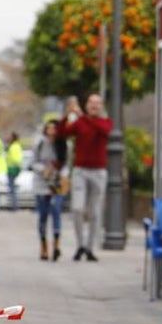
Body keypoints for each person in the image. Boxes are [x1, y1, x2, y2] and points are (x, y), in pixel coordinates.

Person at [57, 93, 112, 262]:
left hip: (99, 171)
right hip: (80, 170)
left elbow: (103, 131)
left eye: (97, 103)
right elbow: (62, 133)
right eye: (91, 102)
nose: (94, 106)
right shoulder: (80, 122)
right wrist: (67, 115)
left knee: (95, 212)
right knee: (77, 208)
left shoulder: (105, 122)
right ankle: (80, 244)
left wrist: (82, 116)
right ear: (87, 105)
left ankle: (89, 247)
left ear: (101, 106)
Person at [31, 119, 68, 261]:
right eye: (49, 128)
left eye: (54, 128)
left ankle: (56, 245)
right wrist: (43, 170)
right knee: (43, 214)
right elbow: (33, 163)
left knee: (56, 210)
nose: (52, 131)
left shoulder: (64, 144)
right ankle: (43, 246)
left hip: (57, 183)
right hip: (42, 183)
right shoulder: (40, 143)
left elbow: (66, 164)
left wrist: (62, 175)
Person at [5, 131, 23, 211]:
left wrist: (17, 168)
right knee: (12, 189)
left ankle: (14, 206)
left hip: (12, 169)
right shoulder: (14, 145)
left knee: (12, 189)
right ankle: (14, 206)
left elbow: (16, 159)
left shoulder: (14, 146)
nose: (8, 138)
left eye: (10, 136)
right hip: (11, 168)